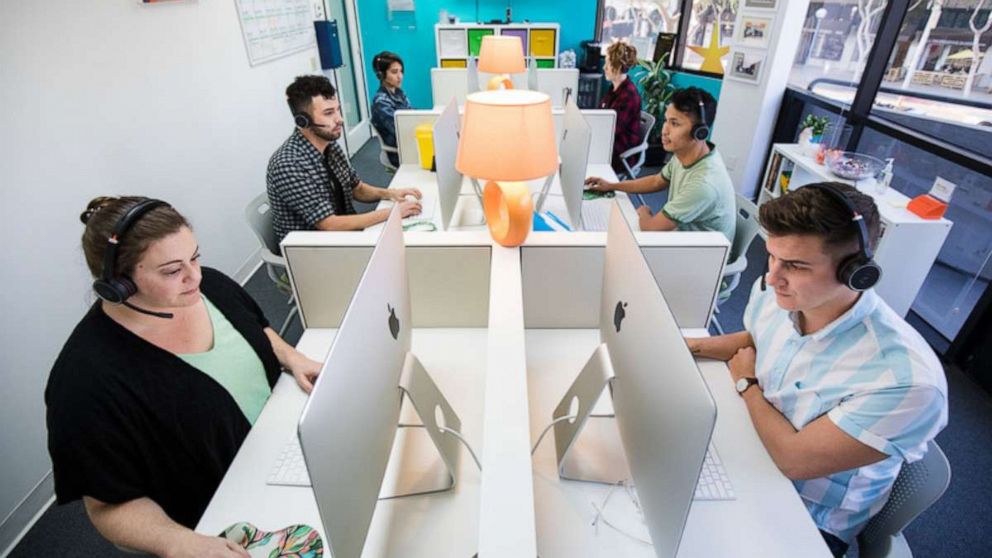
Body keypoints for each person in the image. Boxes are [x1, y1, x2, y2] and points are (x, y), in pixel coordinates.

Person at [46, 196, 324, 558]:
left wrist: (291, 356)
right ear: (118, 283)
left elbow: (255, 326)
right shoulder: (86, 381)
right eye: (172, 270)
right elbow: (107, 506)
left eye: (195, 257)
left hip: (284, 449)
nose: (195, 276)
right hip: (231, 509)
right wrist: (178, 543)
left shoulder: (211, 289)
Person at [685, 183, 947, 557]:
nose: (772, 277)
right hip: (751, 444)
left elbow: (794, 460)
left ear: (857, 272)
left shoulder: (906, 382)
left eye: (794, 265)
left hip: (802, 518)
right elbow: (758, 338)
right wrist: (688, 347)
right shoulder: (783, 294)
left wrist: (747, 384)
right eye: (772, 256)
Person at [267, 75, 422, 244]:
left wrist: (391, 193)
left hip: (345, 234)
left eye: (337, 110)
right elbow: (329, 224)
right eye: (328, 113)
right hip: (315, 249)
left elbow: (357, 189)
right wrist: (393, 213)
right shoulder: (290, 164)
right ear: (303, 121)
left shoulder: (330, 146)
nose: (339, 119)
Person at [585, 87, 735, 243]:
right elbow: (657, 181)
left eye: (675, 124)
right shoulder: (686, 154)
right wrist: (612, 185)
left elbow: (650, 228)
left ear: (699, 132)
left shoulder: (703, 184)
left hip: (703, 256)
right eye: (666, 120)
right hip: (685, 238)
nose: (664, 131)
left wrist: (644, 212)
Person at [598, 40, 643, 176]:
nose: (604, 68)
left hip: (619, 153)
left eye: (608, 64)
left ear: (618, 67)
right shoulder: (614, 89)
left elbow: (611, 130)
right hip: (610, 144)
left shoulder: (628, 95)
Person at [370, 51, 413, 167]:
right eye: (394, 72)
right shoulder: (381, 102)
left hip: (409, 143)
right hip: (400, 151)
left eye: (401, 71)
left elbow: (411, 115)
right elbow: (400, 130)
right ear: (381, 75)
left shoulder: (399, 93)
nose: (400, 77)